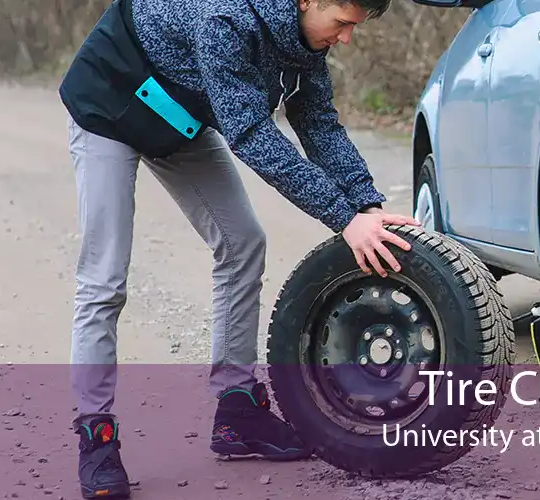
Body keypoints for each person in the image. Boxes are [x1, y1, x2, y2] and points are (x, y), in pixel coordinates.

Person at [57, 0, 415, 497]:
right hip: (108, 104)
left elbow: (318, 123)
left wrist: (366, 206)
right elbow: (250, 134)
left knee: (243, 243)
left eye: (354, 27)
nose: (347, 38)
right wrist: (343, 219)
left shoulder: (306, 41)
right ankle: (95, 434)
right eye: (342, 23)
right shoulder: (224, 20)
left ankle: (237, 410)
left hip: (178, 117)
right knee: (105, 278)